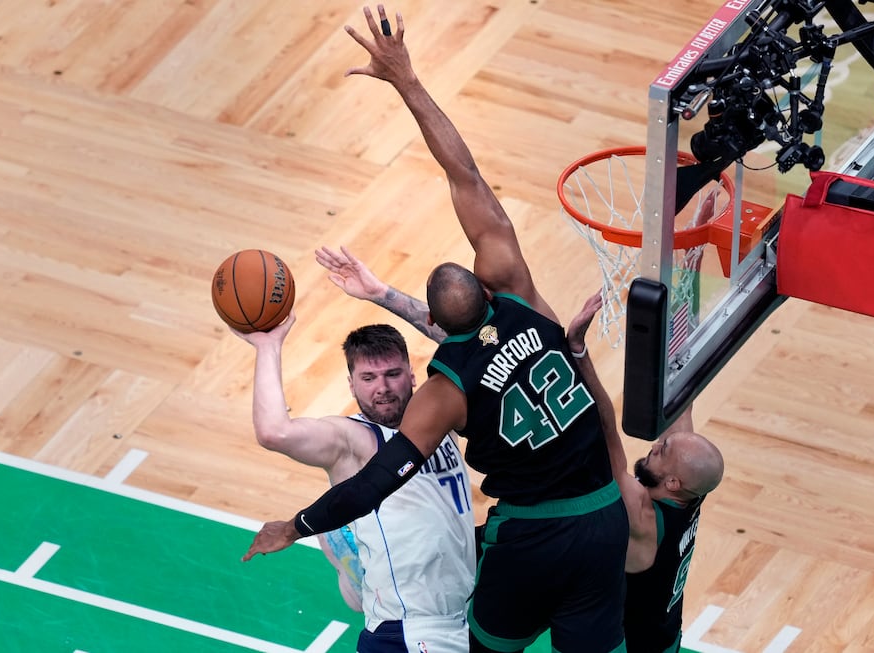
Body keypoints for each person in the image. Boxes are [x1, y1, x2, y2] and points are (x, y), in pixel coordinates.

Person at [243, 6, 629, 653]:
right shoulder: (522, 295)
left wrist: (300, 522)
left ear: (437, 335)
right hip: (600, 517)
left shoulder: (445, 390)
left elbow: (377, 480)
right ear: (486, 287)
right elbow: (465, 174)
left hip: (530, 537)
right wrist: (408, 81)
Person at [234, 315, 476, 652]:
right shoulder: (353, 440)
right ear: (351, 385)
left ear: (411, 375)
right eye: (368, 378)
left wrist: (380, 293)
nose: (383, 388)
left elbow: (472, 340)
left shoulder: (440, 416)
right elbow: (274, 432)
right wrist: (267, 346)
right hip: (409, 630)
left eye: (392, 374)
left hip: (461, 617)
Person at [567, 293, 725, 653]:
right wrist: (685, 291)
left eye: (662, 450)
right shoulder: (690, 487)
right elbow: (683, 393)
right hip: (666, 635)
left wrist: (578, 351)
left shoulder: (643, 514)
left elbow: (604, 430)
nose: (655, 445)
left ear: (672, 482)